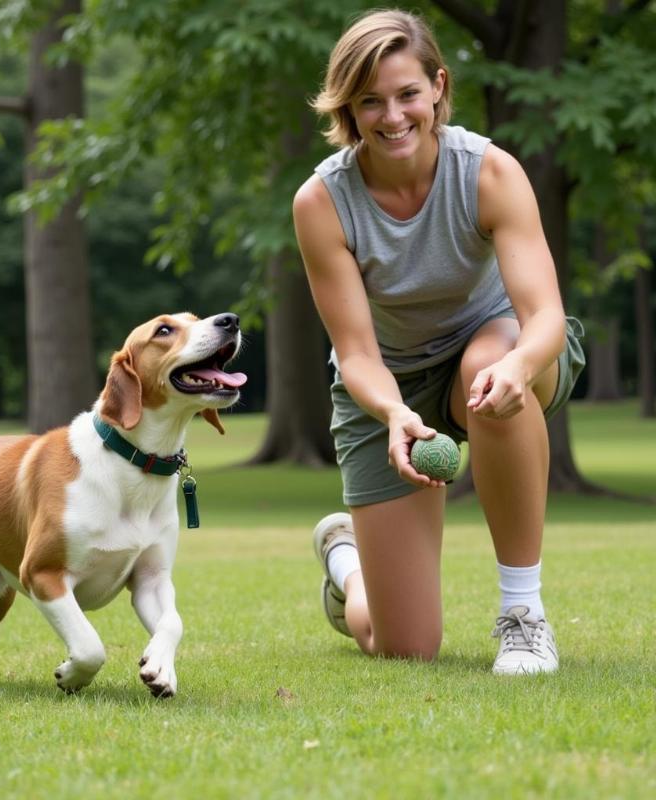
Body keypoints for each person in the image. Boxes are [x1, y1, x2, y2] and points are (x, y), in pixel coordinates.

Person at [292, 8, 585, 674]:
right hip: (390, 384)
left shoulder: (488, 173)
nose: (393, 116)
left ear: (437, 88)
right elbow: (357, 353)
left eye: (407, 94)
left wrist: (516, 367)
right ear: (349, 110)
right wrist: (395, 414)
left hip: (500, 344)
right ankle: (348, 565)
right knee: (405, 645)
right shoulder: (322, 202)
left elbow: (543, 313)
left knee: (491, 375)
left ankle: (523, 617)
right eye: (370, 102)